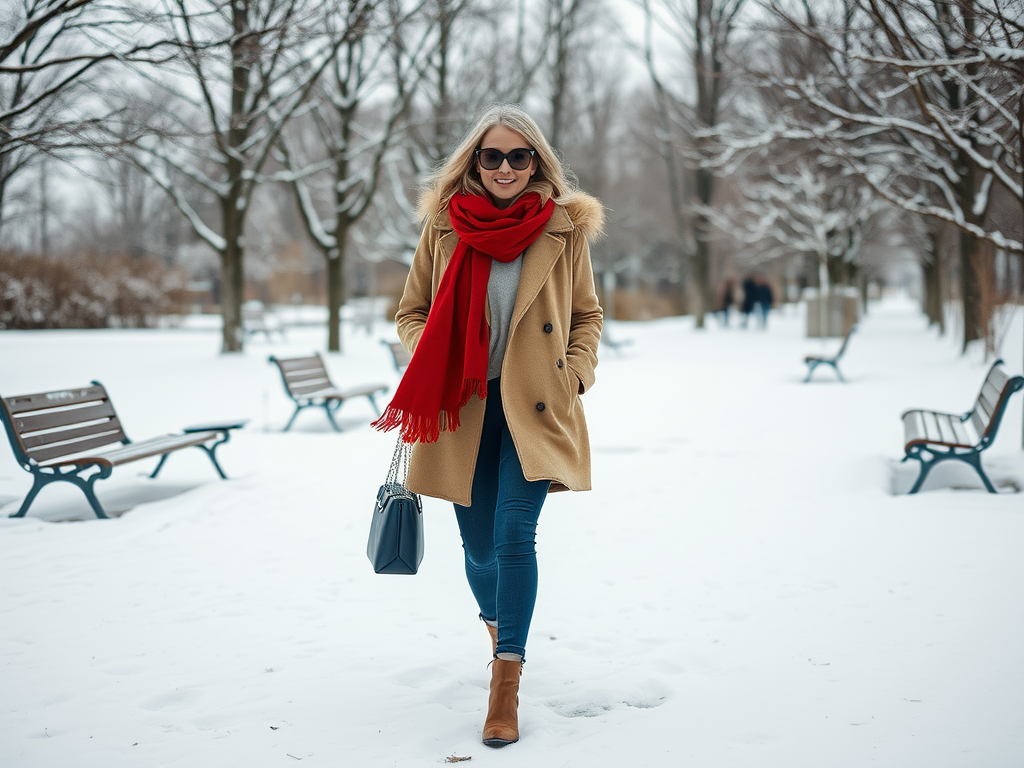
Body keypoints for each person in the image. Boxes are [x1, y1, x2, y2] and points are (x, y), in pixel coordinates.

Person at [374, 104, 604, 748]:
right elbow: (411, 310)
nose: (505, 168)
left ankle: (506, 682)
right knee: (477, 550)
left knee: (512, 536)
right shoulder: (445, 226)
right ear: (475, 162)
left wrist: (575, 374)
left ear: (538, 163)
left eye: (518, 157)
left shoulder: (564, 228)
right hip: (462, 408)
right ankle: (502, 627)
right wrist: (431, 355)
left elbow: (587, 314)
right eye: (492, 156)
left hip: (535, 408)